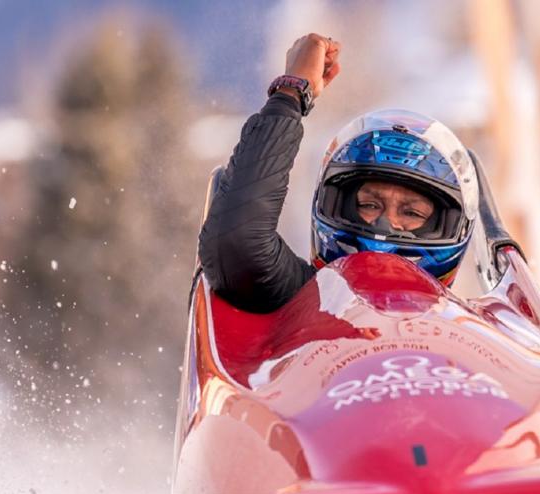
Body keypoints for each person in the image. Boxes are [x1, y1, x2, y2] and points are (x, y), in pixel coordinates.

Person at [199, 34, 481, 313]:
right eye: (369, 205)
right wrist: (291, 94)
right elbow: (238, 245)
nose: (386, 225)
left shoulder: (472, 333)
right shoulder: (308, 298)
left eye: (412, 213)